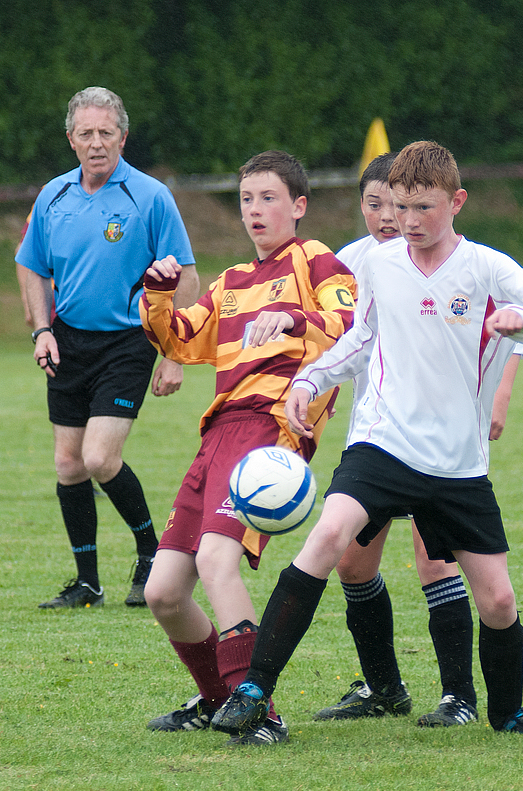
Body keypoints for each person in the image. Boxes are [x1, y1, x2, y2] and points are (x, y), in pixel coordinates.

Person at [211, 140, 523, 741]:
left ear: (456, 201)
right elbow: (361, 338)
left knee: (499, 603)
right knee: (328, 537)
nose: (407, 221)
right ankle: (254, 688)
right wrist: (311, 378)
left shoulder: (487, 268)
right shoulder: (380, 264)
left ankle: (508, 714)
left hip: (458, 465)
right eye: (400, 207)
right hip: (383, 445)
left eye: (423, 208)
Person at [138, 150, 358, 746]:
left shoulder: (317, 261)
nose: (255, 210)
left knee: (216, 560)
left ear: (299, 206)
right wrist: (157, 295)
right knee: (163, 592)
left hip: (269, 427)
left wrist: (291, 318)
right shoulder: (230, 282)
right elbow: (180, 341)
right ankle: (218, 700)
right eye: (246, 199)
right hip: (218, 433)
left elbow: (349, 329)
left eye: (268, 198)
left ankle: (261, 710)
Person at [314, 152, 523, 727]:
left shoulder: (458, 260)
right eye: (376, 204)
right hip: (376, 437)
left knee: (436, 563)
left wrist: (501, 394)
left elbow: (511, 321)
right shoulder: (351, 263)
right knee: (352, 563)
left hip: (444, 444)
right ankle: (383, 687)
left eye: (400, 204)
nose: (391, 217)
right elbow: (333, 335)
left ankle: (459, 696)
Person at [16, 86, 199, 609]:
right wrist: (42, 330)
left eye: (106, 132)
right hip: (68, 340)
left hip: (128, 341)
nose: (96, 142)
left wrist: (174, 354)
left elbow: (187, 277)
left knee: (98, 457)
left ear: (123, 136)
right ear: (70, 139)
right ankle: (88, 584)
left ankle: (152, 554)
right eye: (86, 134)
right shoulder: (53, 196)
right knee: (68, 464)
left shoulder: (151, 197)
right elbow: (30, 265)